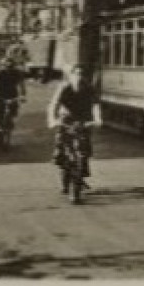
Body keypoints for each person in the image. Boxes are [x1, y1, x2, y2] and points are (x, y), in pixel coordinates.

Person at [47, 64, 102, 198]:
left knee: (84, 150)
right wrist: (52, 120)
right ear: (71, 75)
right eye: (76, 73)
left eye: (82, 74)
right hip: (66, 119)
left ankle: (81, 174)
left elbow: (95, 104)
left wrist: (98, 119)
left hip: (83, 120)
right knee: (61, 147)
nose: (79, 76)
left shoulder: (89, 88)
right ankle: (64, 176)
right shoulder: (65, 87)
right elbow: (54, 104)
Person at [0, 57, 27, 144]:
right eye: (6, 66)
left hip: (12, 94)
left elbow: (21, 85)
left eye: (10, 66)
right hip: (0, 94)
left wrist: (23, 95)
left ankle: (9, 124)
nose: (8, 68)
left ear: (13, 66)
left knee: (13, 111)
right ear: (3, 66)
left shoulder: (17, 73)